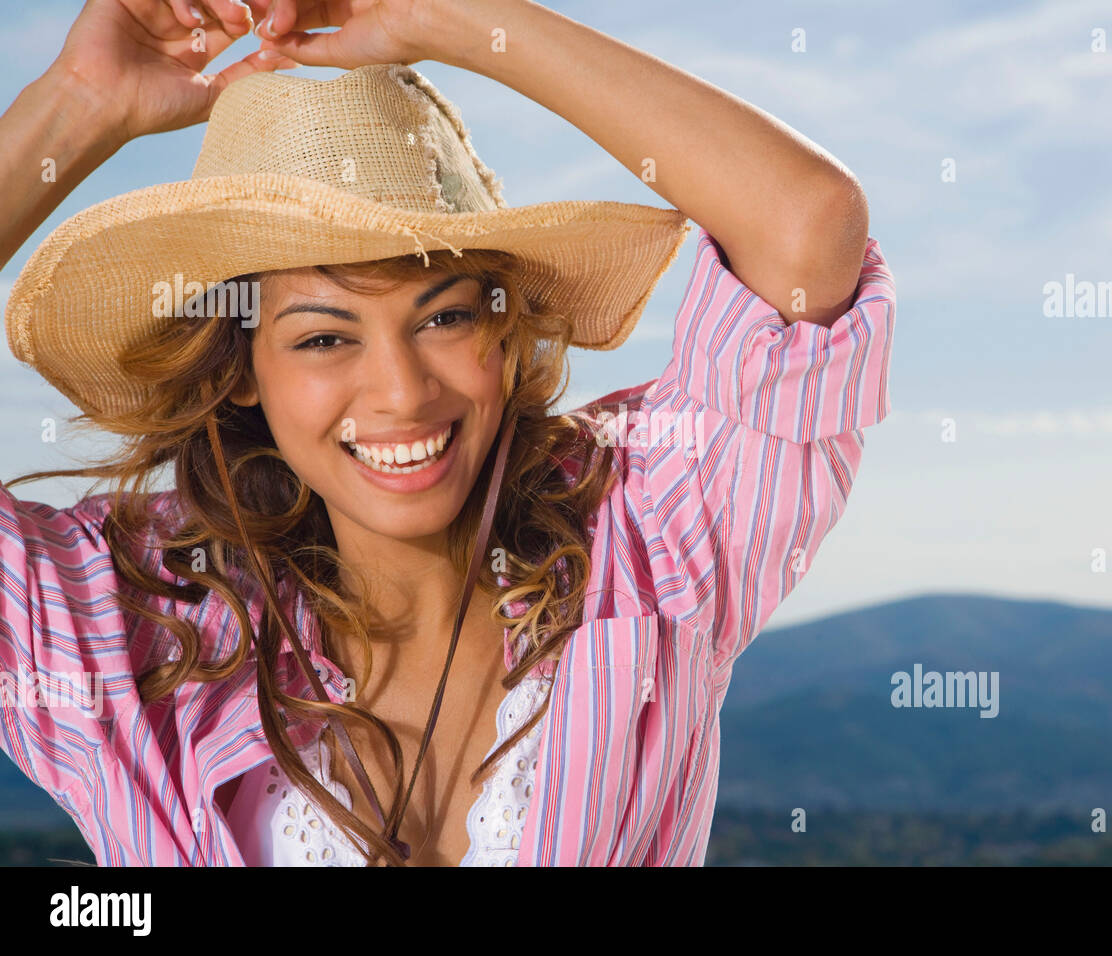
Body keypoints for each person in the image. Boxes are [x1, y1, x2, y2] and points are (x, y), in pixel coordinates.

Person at [0, 0, 895, 866]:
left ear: (505, 330)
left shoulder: (648, 534)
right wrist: (77, 101)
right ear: (240, 370)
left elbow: (807, 224)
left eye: (444, 319)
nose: (401, 392)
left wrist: (460, 17)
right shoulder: (130, 622)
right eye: (323, 337)